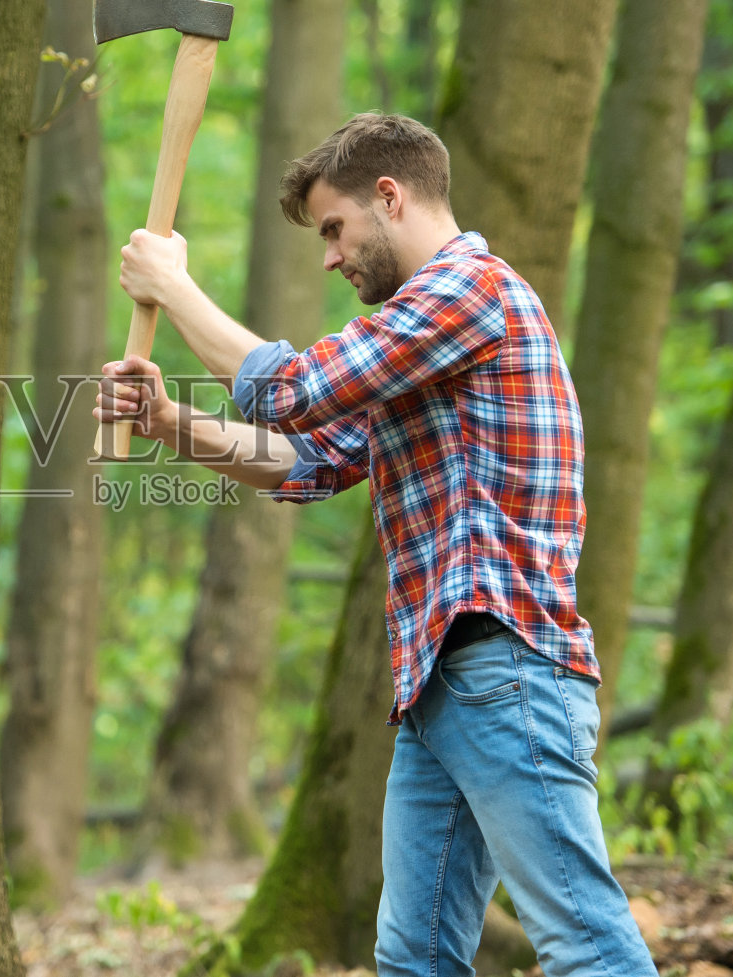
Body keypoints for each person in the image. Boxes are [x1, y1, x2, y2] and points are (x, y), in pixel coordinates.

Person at [94, 113, 658, 977]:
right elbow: (312, 459)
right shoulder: (418, 339)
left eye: (335, 227)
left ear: (389, 197)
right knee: (413, 957)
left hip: (506, 670)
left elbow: (297, 388)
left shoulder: (468, 292)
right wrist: (172, 424)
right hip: (441, 686)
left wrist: (174, 288)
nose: (330, 255)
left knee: (587, 946)